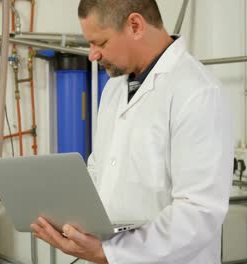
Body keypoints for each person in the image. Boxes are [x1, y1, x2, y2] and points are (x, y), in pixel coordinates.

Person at [30, 0, 234, 263]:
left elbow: (198, 212)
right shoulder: (115, 89)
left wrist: (111, 253)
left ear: (135, 25)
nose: (92, 55)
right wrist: (68, 221)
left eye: (100, 43)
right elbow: (100, 170)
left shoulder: (197, 92)